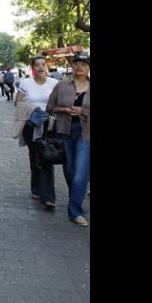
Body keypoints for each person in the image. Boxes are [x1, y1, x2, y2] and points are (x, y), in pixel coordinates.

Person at [47, 52, 90, 227]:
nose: (79, 66)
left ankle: (75, 211)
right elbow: (50, 107)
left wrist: (83, 112)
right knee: (70, 171)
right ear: (72, 66)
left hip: (85, 133)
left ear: (88, 67)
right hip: (64, 131)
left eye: (84, 64)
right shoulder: (62, 86)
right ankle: (76, 198)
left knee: (80, 173)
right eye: (76, 63)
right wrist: (63, 110)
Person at [14, 56, 59, 210]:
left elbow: (59, 102)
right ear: (33, 67)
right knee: (34, 158)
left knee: (47, 157)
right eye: (37, 65)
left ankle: (48, 196)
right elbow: (17, 103)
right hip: (31, 125)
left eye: (43, 64)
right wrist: (31, 109)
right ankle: (36, 189)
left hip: (49, 124)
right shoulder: (26, 83)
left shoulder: (54, 83)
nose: (41, 67)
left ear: (47, 66)